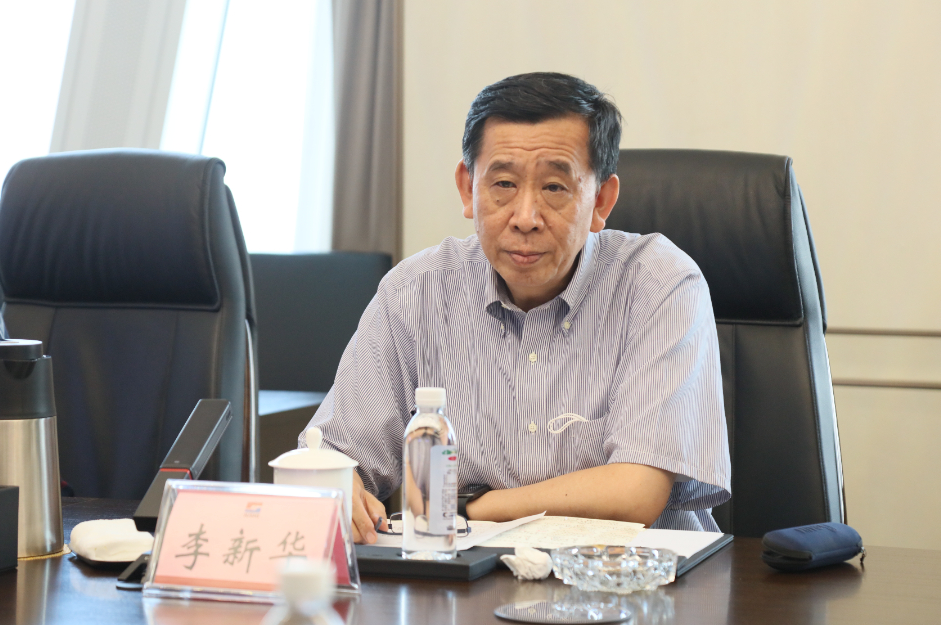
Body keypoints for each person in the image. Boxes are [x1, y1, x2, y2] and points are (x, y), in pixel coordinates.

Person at [303, 72, 731, 544]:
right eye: (503, 183)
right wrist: (336, 481)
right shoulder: (415, 292)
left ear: (601, 201)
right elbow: (332, 456)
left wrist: (461, 506)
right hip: (464, 578)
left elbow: (634, 493)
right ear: (468, 188)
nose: (525, 218)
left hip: (636, 577)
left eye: (555, 188)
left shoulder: (659, 283)